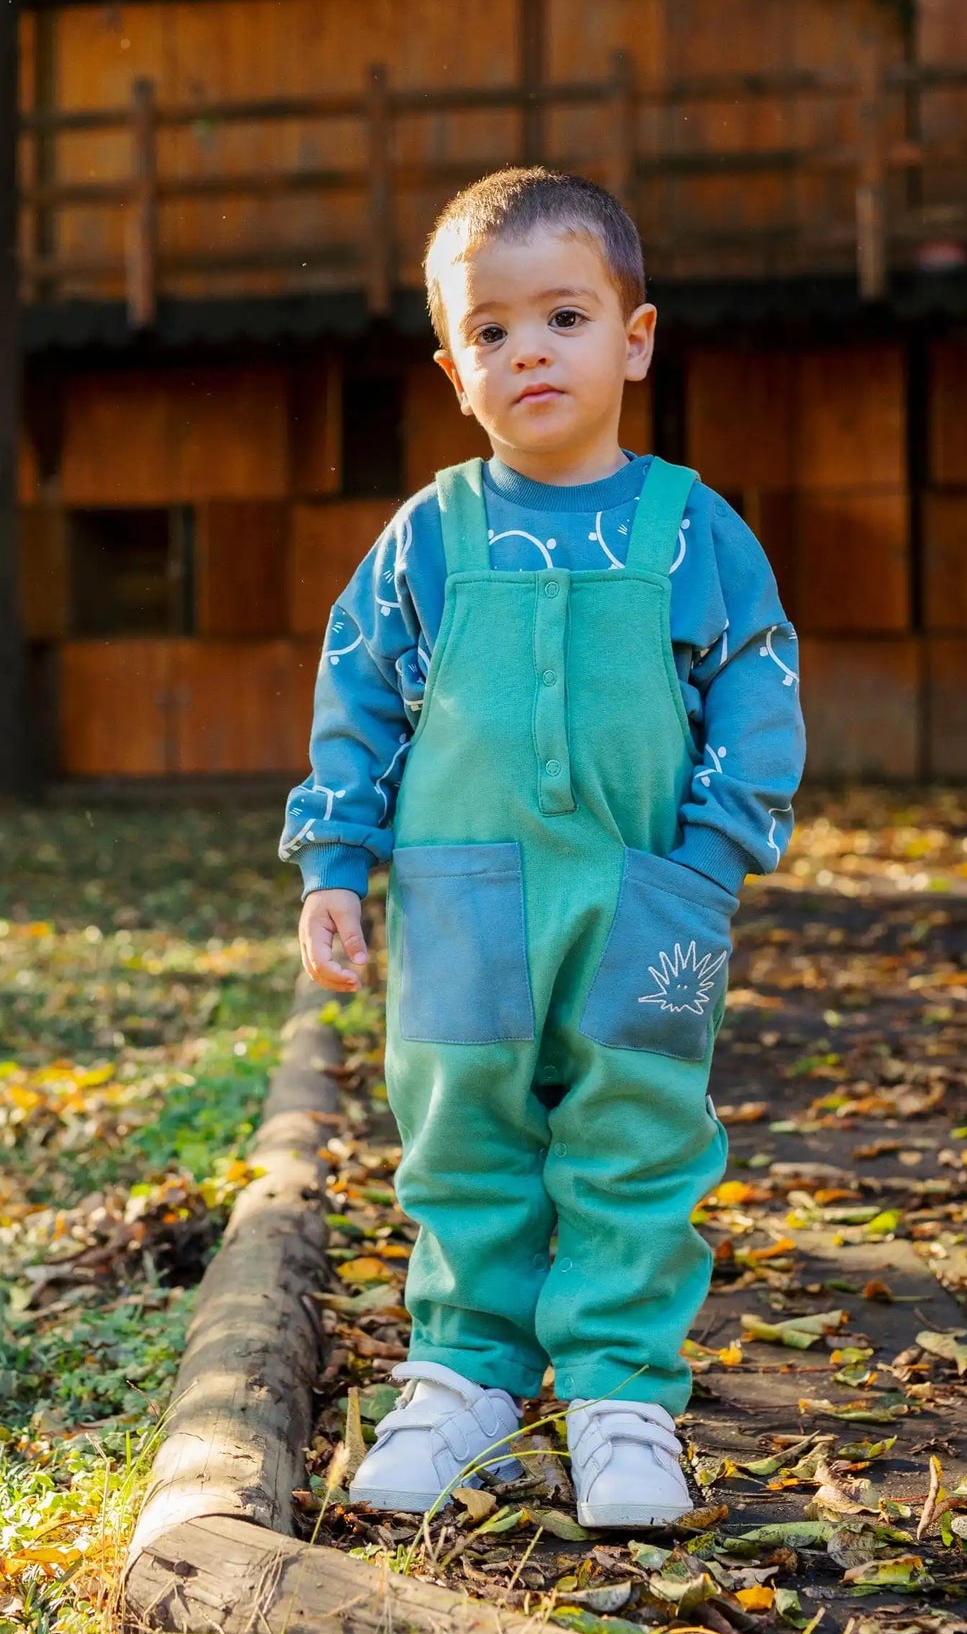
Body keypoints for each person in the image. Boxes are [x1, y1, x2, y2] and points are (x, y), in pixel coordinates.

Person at [280, 166, 804, 1527]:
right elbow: (358, 698)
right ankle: (463, 1379)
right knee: (461, 1132)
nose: (530, 351)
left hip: (650, 892)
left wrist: (712, 851)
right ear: (455, 368)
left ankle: (623, 1398)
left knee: (636, 1132)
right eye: (493, 331)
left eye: (562, 316)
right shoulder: (429, 541)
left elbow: (756, 675)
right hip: (459, 902)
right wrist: (335, 866)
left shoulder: (688, 526)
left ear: (632, 339)